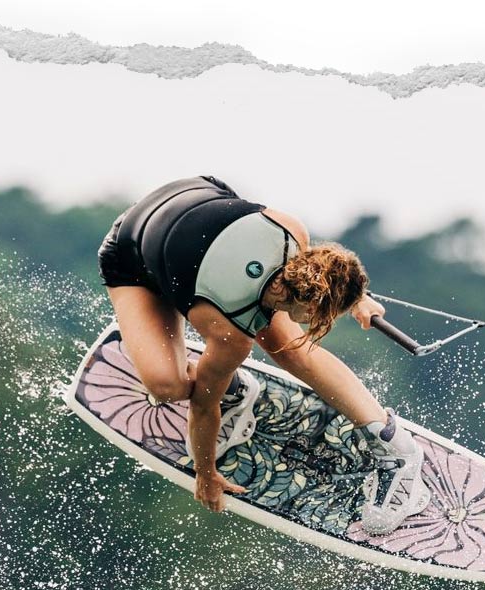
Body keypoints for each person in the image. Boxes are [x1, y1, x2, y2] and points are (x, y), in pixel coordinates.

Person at [97, 174, 428, 534]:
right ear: (309, 304)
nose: (324, 322)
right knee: (167, 387)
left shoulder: (291, 232)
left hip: (193, 196)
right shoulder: (230, 333)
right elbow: (204, 406)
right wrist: (206, 472)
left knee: (290, 348)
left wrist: (356, 296)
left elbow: (323, 265)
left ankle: (395, 447)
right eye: (325, 315)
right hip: (131, 254)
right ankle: (233, 389)